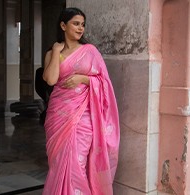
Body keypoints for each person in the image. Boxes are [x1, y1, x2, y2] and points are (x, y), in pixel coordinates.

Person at [42, 7, 120, 195]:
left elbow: (104, 82)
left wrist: (84, 79)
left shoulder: (90, 51)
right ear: (63, 25)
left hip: (83, 117)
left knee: (77, 164)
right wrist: (55, 50)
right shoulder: (53, 52)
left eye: (82, 25)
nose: (80, 28)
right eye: (75, 24)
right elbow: (51, 80)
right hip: (58, 115)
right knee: (59, 164)